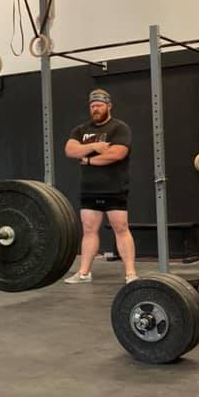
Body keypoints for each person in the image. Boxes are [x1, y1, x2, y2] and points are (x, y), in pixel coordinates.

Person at [64, 88, 137, 284]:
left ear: (109, 106)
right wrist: (94, 147)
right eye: (92, 106)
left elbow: (117, 154)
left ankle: (130, 273)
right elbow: (70, 150)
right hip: (89, 189)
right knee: (89, 230)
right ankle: (84, 273)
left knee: (121, 228)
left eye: (99, 105)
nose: (95, 109)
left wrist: (88, 160)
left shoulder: (119, 128)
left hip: (114, 187)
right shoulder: (81, 130)